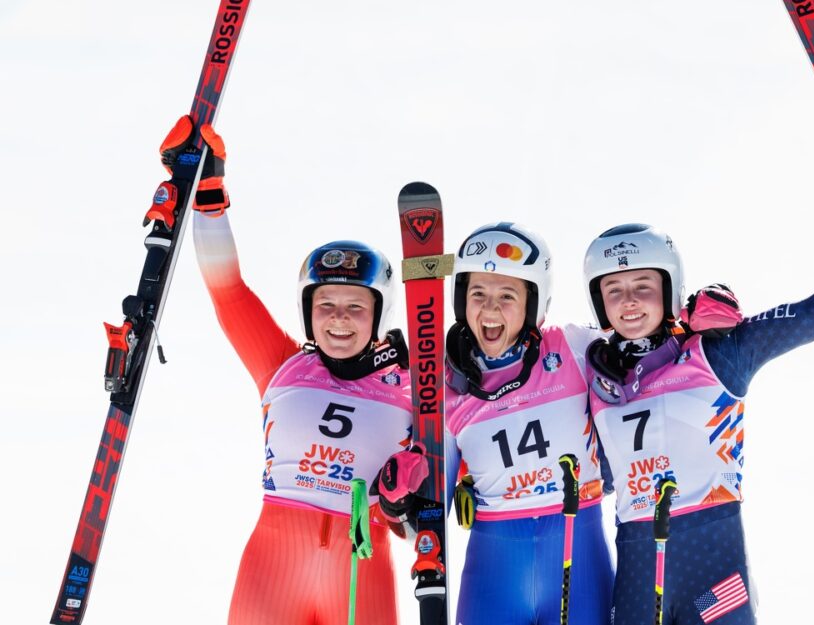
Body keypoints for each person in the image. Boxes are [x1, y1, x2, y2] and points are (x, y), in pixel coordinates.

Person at [580, 161, 814, 625]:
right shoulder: (598, 377)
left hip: (713, 567)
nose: (629, 301)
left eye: (643, 285)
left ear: (671, 288)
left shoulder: (718, 353)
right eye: (613, 289)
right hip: (636, 567)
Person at [160, 116, 416, 625]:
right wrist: (208, 198)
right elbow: (228, 292)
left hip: (362, 570)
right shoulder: (282, 365)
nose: (339, 319)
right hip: (272, 567)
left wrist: (401, 505)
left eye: (355, 307)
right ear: (307, 310)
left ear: (379, 314)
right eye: (325, 304)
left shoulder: (414, 386)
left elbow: (419, 524)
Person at [444, 223, 614, 625]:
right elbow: (424, 524)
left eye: (507, 296)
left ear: (533, 303)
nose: (489, 309)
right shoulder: (446, 385)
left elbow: (645, 343)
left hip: (579, 554)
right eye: (478, 294)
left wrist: (697, 328)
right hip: (493, 573)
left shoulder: (574, 348)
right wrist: (404, 503)